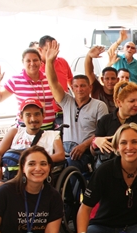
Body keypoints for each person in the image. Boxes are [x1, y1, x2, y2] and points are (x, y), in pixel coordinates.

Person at [44, 42, 108, 173]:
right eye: (76, 86)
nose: (80, 89)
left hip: (87, 151)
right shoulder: (67, 101)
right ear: (71, 88)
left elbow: (101, 133)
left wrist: (83, 146)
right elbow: (53, 83)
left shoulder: (99, 105)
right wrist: (49, 62)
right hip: (65, 150)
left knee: (73, 168)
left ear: (90, 87)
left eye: (83, 86)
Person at [0, 99, 65, 183]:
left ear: (43, 115)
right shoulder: (15, 132)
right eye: (28, 115)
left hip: (37, 177)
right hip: (13, 176)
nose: (33, 119)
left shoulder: (52, 135)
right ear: (21, 117)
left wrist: (34, 162)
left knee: (1, 187)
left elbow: (60, 155)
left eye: (37, 114)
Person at [94, 81, 137, 160]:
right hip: (111, 167)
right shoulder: (105, 121)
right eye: (132, 101)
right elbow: (93, 151)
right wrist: (96, 142)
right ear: (119, 102)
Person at [0, 49, 58, 129]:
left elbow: (60, 99)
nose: (32, 63)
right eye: (28, 61)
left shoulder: (49, 79)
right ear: (23, 62)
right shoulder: (16, 80)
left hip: (49, 128)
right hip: (26, 130)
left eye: (35, 60)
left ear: (41, 62)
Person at [85, 46, 119, 113]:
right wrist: (89, 56)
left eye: (113, 78)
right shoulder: (97, 89)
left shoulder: (121, 94)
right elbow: (89, 73)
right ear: (102, 79)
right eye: (107, 78)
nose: (110, 81)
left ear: (117, 80)